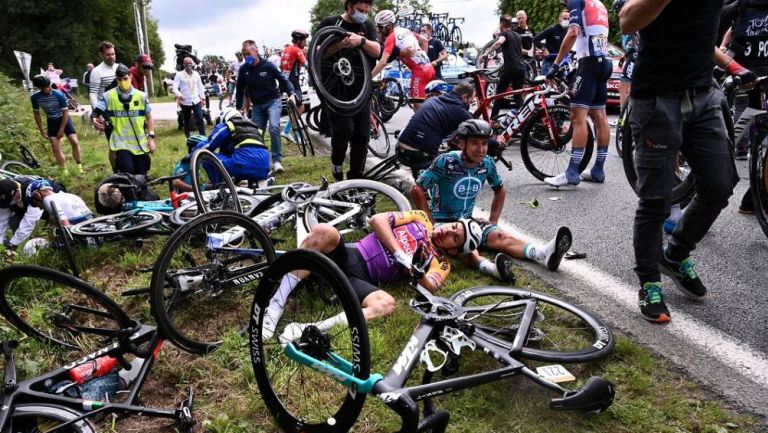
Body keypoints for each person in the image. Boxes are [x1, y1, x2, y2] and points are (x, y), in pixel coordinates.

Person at [620, 0, 756, 323]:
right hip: (656, 97)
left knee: (719, 185)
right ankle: (649, 280)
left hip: (703, 94)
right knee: (656, 199)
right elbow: (627, 21)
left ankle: (676, 252)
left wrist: (733, 67)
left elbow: (698, 37)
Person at [262, 209, 474, 339]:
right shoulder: (420, 218)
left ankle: (307, 329)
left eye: (454, 238)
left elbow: (430, 287)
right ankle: (275, 305)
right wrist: (399, 253)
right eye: (454, 226)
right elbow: (377, 220)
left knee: (387, 304)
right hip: (351, 255)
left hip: (361, 279)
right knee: (324, 231)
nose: (448, 231)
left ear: (455, 251)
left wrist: (418, 271)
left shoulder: (442, 263)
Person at [411, 119, 572, 282]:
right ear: (462, 144)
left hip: (467, 222)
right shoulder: (446, 161)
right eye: (475, 143)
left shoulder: (487, 163)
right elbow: (417, 188)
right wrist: (429, 222)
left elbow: (500, 189)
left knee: (500, 236)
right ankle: (492, 268)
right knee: (467, 247)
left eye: (484, 143)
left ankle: (543, 253)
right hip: (443, 223)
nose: (481, 149)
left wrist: (492, 222)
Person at [545, 0, 612, 187]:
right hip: (604, 62)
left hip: (589, 64)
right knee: (600, 116)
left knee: (577, 116)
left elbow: (573, 32)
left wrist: (556, 65)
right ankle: (598, 170)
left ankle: (572, 172)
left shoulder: (577, 0)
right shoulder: (598, 3)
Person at [317, 0, 381, 181]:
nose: (363, 14)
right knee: (344, 130)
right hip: (336, 91)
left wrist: (361, 40)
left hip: (361, 89)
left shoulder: (366, 26)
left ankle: (356, 178)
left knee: (362, 135)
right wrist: (340, 45)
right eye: (360, 10)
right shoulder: (331, 23)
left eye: (367, 11)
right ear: (350, 6)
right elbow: (317, 52)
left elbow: (377, 51)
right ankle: (337, 162)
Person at [719, 0, 768, 212]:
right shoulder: (741, 6)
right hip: (744, 74)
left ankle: (755, 196)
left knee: (759, 133)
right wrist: (722, 50)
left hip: (757, 73)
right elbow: (729, 28)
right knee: (739, 131)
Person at [236, 39, 295, 174]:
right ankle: (262, 162)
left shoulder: (267, 66)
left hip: (273, 101)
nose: (247, 57)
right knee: (256, 134)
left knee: (274, 127)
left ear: (256, 51)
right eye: (244, 54)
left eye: (249, 53)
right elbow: (240, 89)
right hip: (257, 105)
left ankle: (277, 161)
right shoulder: (244, 69)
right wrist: (239, 107)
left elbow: (283, 79)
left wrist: (291, 93)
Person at [396, 80, 475, 178]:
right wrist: (498, 144)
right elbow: (479, 136)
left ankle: (420, 182)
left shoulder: (434, 99)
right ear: (464, 97)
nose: (470, 105)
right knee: (454, 171)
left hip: (400, 150)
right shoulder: (461, 112)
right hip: (420, 156)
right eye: (471, 101)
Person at [91, 64, 156, 176]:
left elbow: (149, 117)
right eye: (119, 79)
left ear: (130, 77)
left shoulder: (141, 96)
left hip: (139, 144)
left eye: (125, 78)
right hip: (121, 143)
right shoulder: (108, 96)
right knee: (128, 172)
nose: (122, 82)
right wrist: (93, 119)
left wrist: (151, 138)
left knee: (141, 176)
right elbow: (96, 112)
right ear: (116, 79)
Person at [371, 10, 435, 111]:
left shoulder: (391, 38)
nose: (378, 30)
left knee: (418, 108)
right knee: (427, 105)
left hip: (419, 72)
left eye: (380, 27)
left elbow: (383, 62)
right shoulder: (404, 30)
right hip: (429, 68)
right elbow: (424, 40)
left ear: (389, 26)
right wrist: (424, 57)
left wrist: (369, 77)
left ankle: (425, 126)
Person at [191, 108, 271, 186]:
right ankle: (256, 182)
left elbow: (208, 145)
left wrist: (192, 154)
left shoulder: (227, 126)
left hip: (242, 165)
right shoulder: (255, 129)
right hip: (264, 168)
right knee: (240, 157)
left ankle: (220, 186)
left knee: (206, 156)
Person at [30, 75, 83, 176]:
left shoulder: (58, 94)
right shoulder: (35, 97)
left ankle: (79, 165)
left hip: (64, 118)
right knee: (55, 146)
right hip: (52, 121)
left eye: (50, 85)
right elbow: (36, 114)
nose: (50, 88)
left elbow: (66, 113)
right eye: (47, 87)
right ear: (40, 88)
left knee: (74, 141)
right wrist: (41, 130)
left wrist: (62, 129)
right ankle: (64, 170)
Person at [478, 16, 527, 119]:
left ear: (501, 24)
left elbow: (499, 42)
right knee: (517, 96)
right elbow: (520, 50)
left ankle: (493, 120)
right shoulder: (517, 35)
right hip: (521, 68)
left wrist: (486, 53)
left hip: (510, 68)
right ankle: (526, 119)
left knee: (499, 95)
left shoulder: (504, 34)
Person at [0, 178, 43, 252]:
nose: (10, 203)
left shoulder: (32, 191)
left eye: (11, 199)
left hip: (45, 211)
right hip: (24, 211)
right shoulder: (4, 196)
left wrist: (12, 244)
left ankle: (32, 247)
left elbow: (29, 222)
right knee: (14, 222)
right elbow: (2, 222)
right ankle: (19, 245)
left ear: (17, 190)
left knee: (26, 227)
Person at [27, 180, 93, 227]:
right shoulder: (69, 195)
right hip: (90, 219)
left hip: (77, 224)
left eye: (36, 203)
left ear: (37, 195)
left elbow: (65, 225)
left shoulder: (47, 199)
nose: (39, 207)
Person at [173, 57, 206, 138]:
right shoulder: (179, 75)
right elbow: (174, 87)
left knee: (200, 119)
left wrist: (203, 98)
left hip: (196, 101)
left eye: (190, 63)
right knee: (187, 121)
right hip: (185, 102)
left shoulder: (196, 74)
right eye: (186, 63)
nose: (189, 65)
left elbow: (200, 87)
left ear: (193, 64)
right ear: (183, 64)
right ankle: (188, 138)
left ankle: (204, 138)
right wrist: (179, 94)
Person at [535, 10, 571, 76]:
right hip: (549, 63)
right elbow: (536, 39)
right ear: (560, 18)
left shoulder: (568, 31)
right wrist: (544, 49)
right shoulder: (552, 29)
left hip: (561, 64)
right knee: (547, 85)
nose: (567, 20)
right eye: (565, 18)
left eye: (568, 19)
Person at [89, 41, 118, 109]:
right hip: (105, 109)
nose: (111, 57)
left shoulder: (119, 67)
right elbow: (93, 94)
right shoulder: (96, 71)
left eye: (113, 54)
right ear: (101, 55)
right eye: (108, 55)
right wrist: (97, 112)